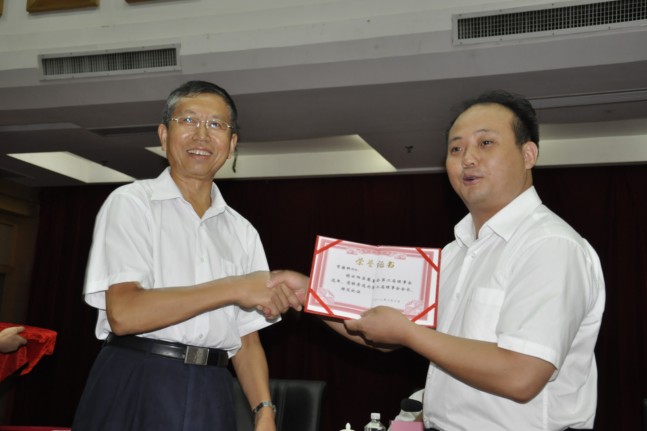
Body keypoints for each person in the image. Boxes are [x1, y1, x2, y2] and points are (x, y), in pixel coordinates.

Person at [270, 90, 606, 430]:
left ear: (528, 154)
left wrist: (408, 333)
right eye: (456, 149)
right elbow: (384, 333)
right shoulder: (454, 253)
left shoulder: (549, 245)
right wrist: (311, 293)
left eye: (485, 143)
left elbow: (522, 375)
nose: (468, 159)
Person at [72, 80, 300, 431]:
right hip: (138, 375)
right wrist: (235, 287)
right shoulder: (132, 203)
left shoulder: (242, 231)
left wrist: (264, 410)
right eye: (189, 120)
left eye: (216, 125)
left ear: (232, 144)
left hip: (214, 387)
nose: (202, 135)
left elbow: (246, 338)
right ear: (164, 135)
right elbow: (125, 313)